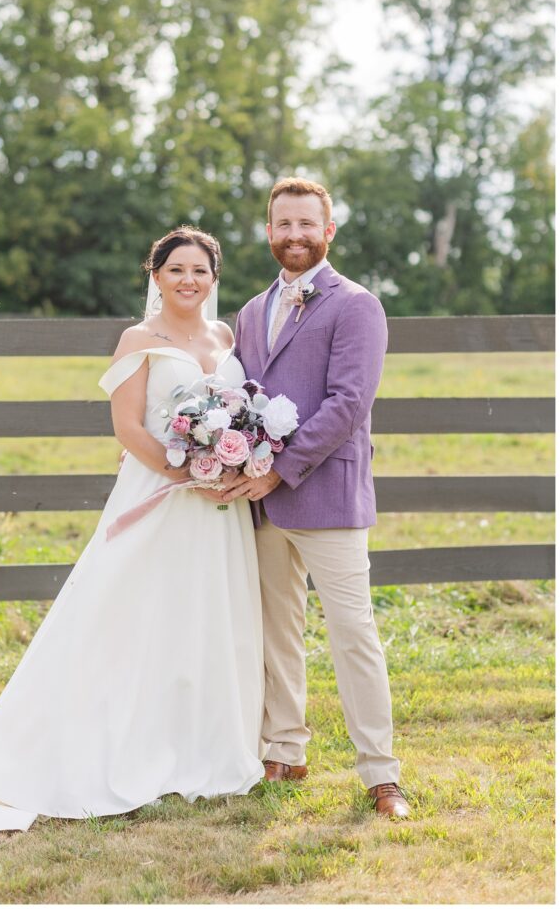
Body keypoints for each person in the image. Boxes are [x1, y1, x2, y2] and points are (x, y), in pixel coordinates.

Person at [0, 227, 265, 844]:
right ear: (155, 275)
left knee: (203, 615)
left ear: (214, 279)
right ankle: (104, 741)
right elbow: (128, 426)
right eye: (176, 270)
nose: (188, 281)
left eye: (200, 271)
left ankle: (197, 743)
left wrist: (231, 464)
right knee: (124, 612)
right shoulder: (139, 340)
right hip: (159, 495)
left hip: (217, 509)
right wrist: (185, 470)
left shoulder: (227, 337)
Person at [215, 177, 410, 819]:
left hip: (326, 494)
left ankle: (381, 773)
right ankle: (285, 750)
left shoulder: (357, 306)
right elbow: (242, 401)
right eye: (283, 225)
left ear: (329, 231)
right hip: (262, 504)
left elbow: (349, 404)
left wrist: (279, 470)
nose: (294, 235)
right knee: (277, 633)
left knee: (354, 633)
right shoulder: (247, 313)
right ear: (268, 232)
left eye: (307, 224)